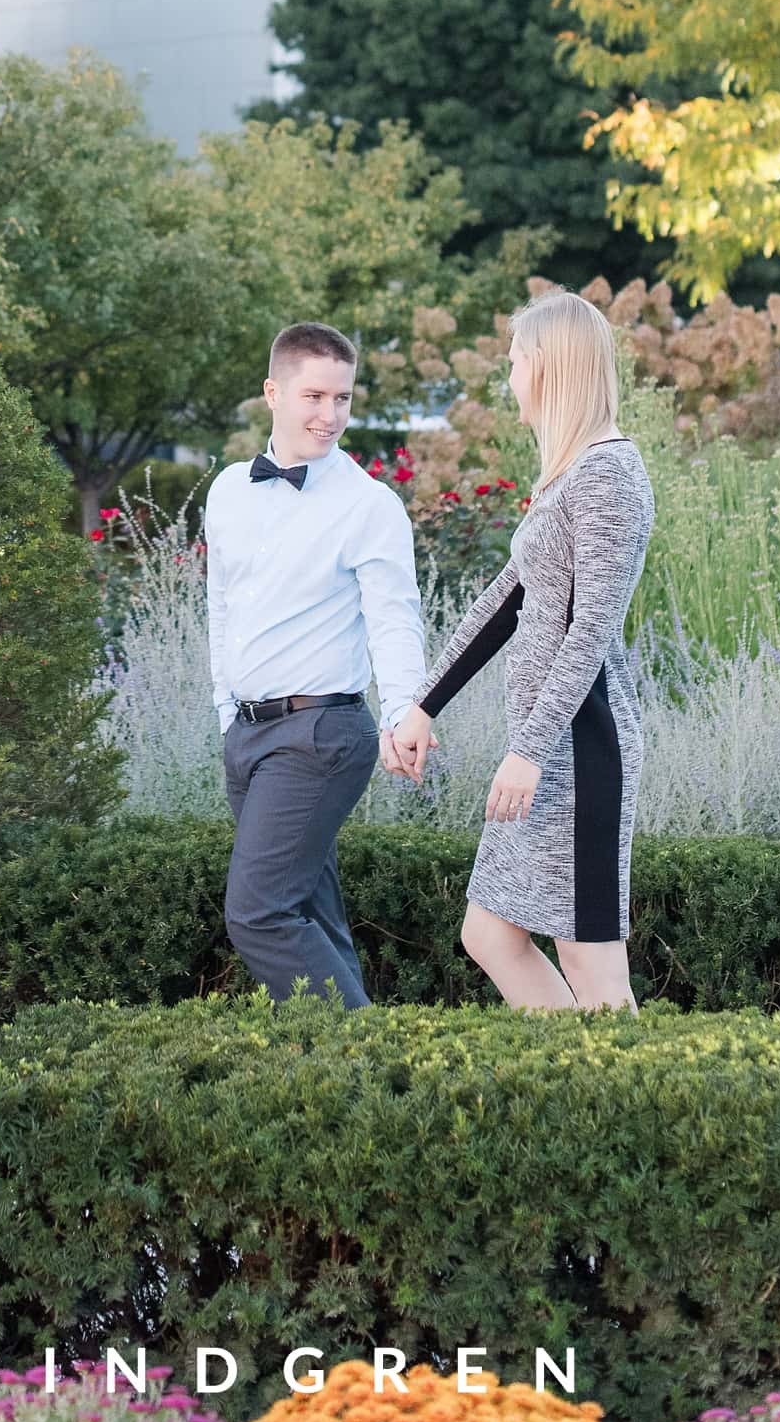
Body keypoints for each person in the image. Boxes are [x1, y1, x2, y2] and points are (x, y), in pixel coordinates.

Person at [385, 291, 655, 1013]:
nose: (509, 382)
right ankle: (577, 1093)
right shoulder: (568, 479)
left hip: (580, 747)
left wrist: (529, 749)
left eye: (513, 364)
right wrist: (422, 707)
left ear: (546, 366)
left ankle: (636, 1104)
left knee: (591, 965)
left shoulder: (609, 477)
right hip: (546, 748)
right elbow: (505, 603)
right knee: (489, 934)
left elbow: (588, 632)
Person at [205, 320, 427, 1009]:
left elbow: (394, 618)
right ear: (273, 392)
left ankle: (360, 1056)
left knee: (259, 913)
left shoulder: (369, 506)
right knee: (308, 914)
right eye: (314, 396)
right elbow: (222, 609)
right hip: (248, 736)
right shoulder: (228, 491)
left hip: (320, 736)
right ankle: (340, 1080)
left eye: (343, 399)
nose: (329, 416)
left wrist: (403, 713)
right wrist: (225, 716)